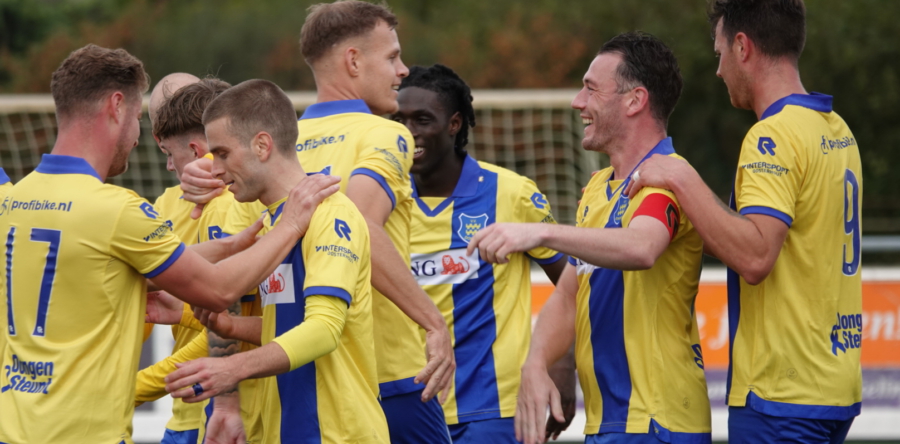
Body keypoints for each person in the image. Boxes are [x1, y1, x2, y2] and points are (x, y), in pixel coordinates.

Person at [0, 44, 339, 444]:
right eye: (139, 120)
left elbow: (117, 268)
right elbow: (219, 290)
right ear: (117, 106)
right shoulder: (117, 210)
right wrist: (291, 223)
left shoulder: (12, 201)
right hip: (84, 434)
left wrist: (233, 245)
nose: (137, 138)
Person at [179, 2, 455, 442]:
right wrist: (433, 322)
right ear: (352, 60)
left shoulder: (268, 145)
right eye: (392, 56)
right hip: (388, 373)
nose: (402, 71)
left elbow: (244, 276)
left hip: (294, 383)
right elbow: (361, 223)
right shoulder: (383, 134)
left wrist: (228, 396)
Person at [626, 1, 862, 442]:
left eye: (718, 54)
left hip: (781, 393)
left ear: (742, 47)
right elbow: (785, 243)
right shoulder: (836, 129)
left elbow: (755, 256)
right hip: (833, 385)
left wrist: (678, 175)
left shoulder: (771, 135)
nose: (718, 71)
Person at [467, 33, 712, 444]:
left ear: (635, 101)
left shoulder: (666, 178)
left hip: (657, 421)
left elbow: (642, 247)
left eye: (590, 89)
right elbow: (569, 294)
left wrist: (540, 232)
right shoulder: (598, 187)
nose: (577, 102)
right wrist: (537, 363)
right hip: (609, 422)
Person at [162, 78, 389, 444]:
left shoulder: (330, 213)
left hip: (337, 433)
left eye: (221, 153)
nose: (214, 169)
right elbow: (290, 322)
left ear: (262, 145)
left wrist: (232, 367)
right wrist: (232, 328)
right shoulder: (274, 222)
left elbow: (324, 329)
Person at [390, 64, 576, 444]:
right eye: (399, 120)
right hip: (409, 405)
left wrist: (561, 364)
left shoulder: (511, 193)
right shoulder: (383, 199)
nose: (408, 133)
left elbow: (573, 286)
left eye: (422, 119)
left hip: (494, 408)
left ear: (455, 123)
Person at [137, 76, 260, 444]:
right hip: (192, 405)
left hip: (220, 403)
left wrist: (136, 386)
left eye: (167, 153)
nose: (171, 168)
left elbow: (230, 316)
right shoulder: (161, 206)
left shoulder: (230, 203)